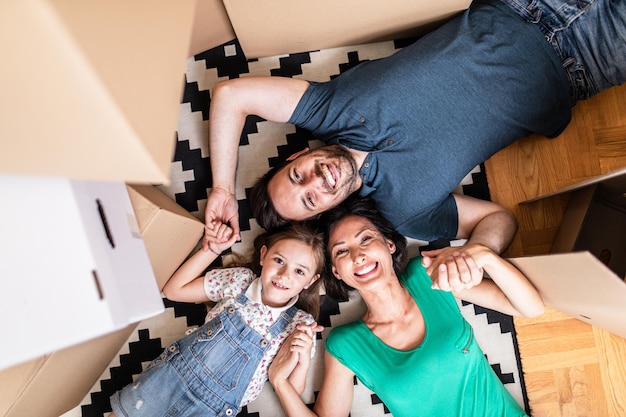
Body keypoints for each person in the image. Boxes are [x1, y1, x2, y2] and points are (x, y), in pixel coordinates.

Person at [204, 0, 626, 280]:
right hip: (582, 64)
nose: (318, 181)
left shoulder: (326, 109)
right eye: (312, 199)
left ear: (298, 155)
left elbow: (231, 95)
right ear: (330, 210)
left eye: (298, 176)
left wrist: (223, 189)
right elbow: (498, 220)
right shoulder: (404, 212)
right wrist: (476, 252)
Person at [268, 196, 545, 417]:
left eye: (366, 239)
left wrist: (484, 256)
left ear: (389, 244)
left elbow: (530, 308)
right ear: (338, 272)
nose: (359, 255)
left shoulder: (427, 275)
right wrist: (280, 383)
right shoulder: (346, 345)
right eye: (341, 251)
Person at [109, 221, 325, 417]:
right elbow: (174, 291)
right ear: (263, 255)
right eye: (279, 260)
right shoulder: (240, 282)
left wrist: (303, 356)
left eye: (299, 271)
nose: (285, 274)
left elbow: (290, 389)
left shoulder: (299, 325)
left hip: (215, 408)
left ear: (310, 281)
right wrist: (213, 249)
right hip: (172, 378)